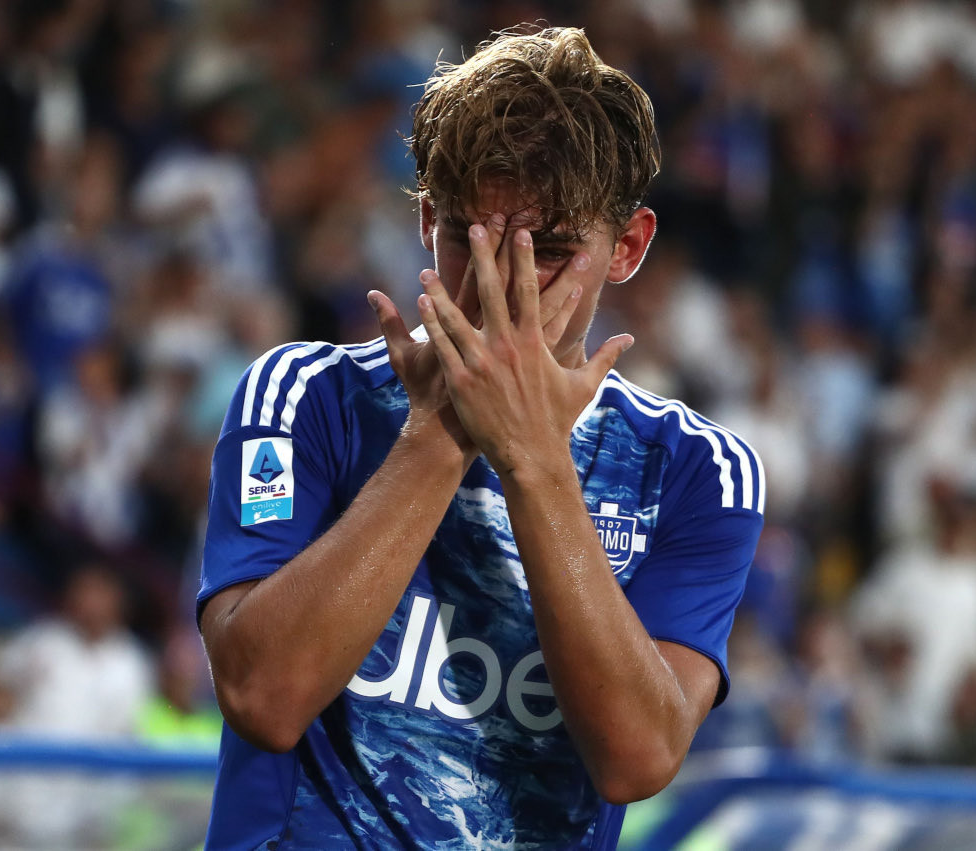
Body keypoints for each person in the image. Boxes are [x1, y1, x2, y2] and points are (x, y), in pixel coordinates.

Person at [198, 26, 765, 850]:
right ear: (428, 218)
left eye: (552, 250)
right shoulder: (302, 397)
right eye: (471, 238)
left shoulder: (697, 471)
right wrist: (443, 432)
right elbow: (262, 696)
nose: (501, 284)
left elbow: (638, 756)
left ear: (628, 247)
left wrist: (534, 460)